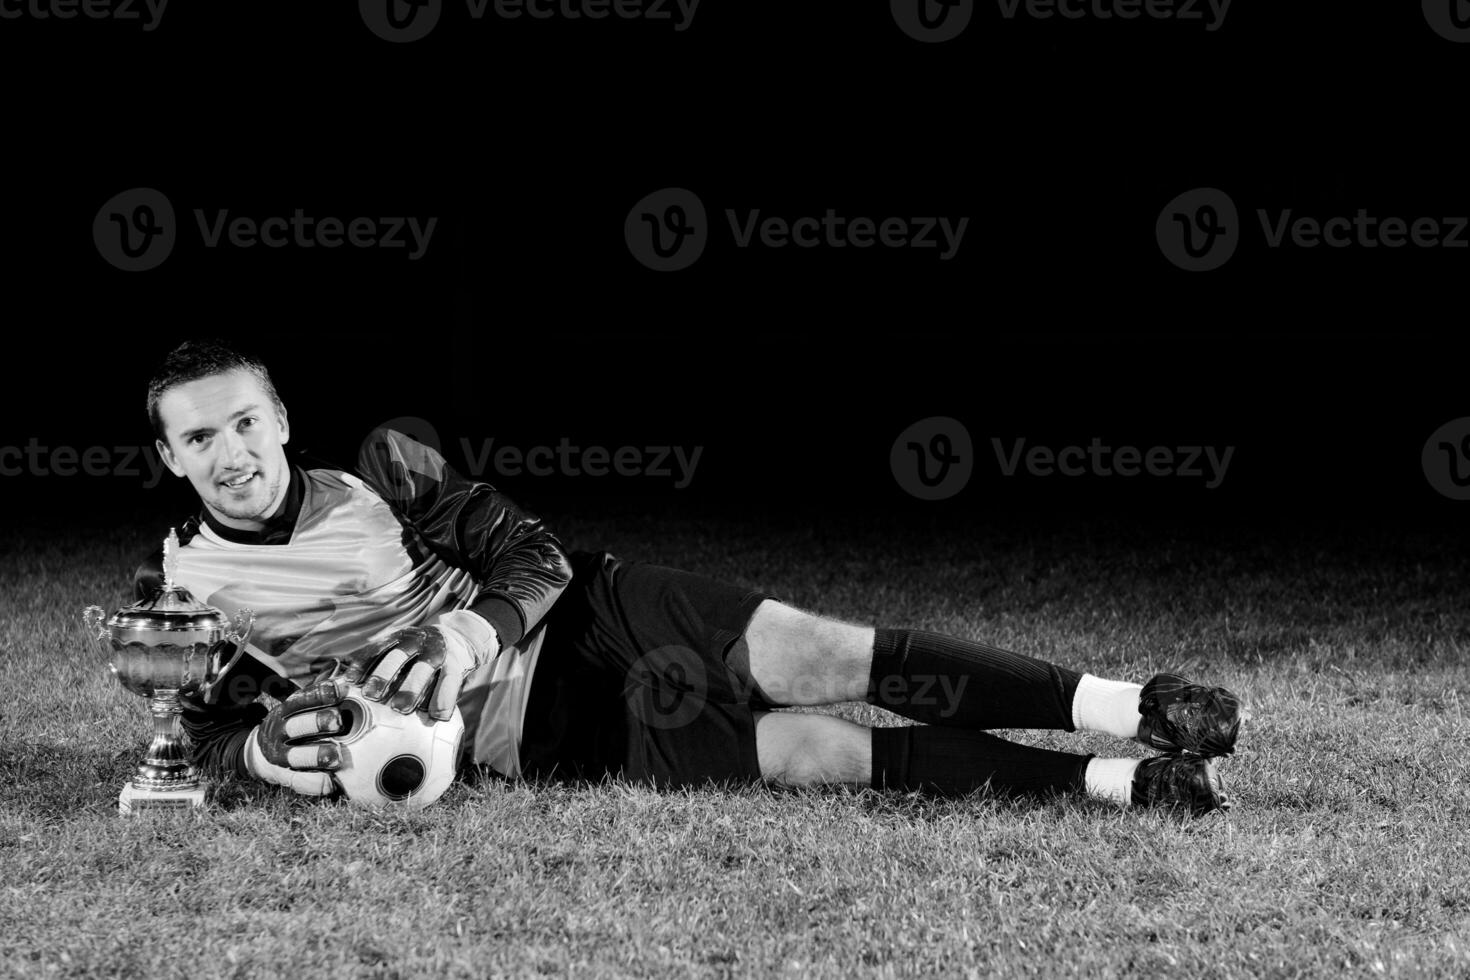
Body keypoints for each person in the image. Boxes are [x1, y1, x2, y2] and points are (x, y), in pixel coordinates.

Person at [136, 339, 1243, 817]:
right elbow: (210, 743)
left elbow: (536, 556)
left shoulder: (384, 472)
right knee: (818, 754)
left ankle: (1127, 705)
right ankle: (1117, 785)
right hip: (536, 735)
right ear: (172, 458)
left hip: (589, 617)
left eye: (245, 419)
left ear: (280, 417)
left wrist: (458, 636)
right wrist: (267, 761)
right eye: (201, 438)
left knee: (817, 655)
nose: (231, 451)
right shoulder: (177, 590)